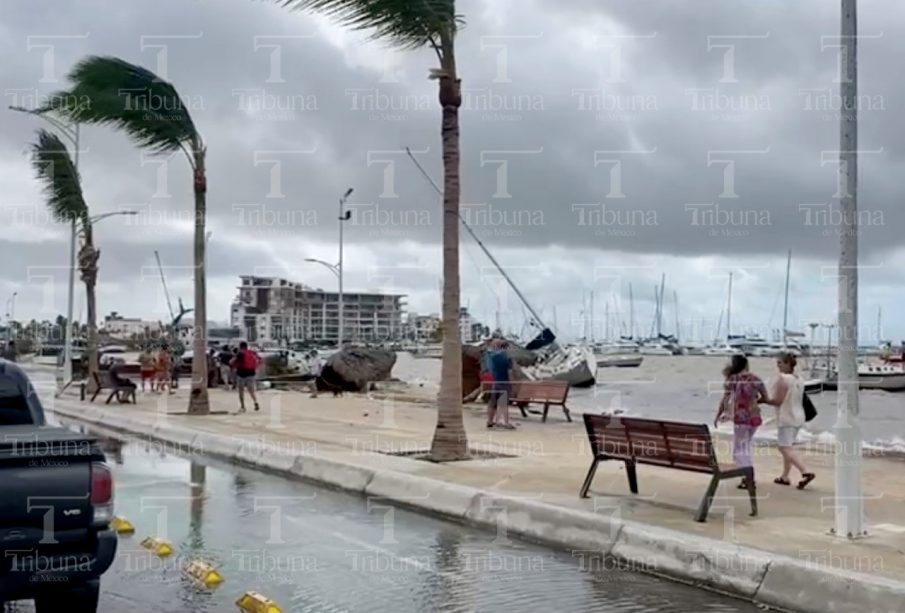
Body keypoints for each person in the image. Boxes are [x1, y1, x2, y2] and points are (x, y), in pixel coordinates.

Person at [760, 352, 815, 489]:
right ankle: (785, 476)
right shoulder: (799, 379)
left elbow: (777, 401)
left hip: (786, 416)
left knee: (784, 447)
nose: (778, 365)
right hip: (799, 416)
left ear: (786, 364)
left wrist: (762, 400)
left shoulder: (782, 379)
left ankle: (805, 471)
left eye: (780, 363)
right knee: (788, 446)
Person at [714, 355, 766, 489]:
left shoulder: (733, 379)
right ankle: (747, 477)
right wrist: (753, 402)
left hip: (740, 418)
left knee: (738, 450)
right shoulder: (756, 379)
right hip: (755, 417)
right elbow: (765, 398)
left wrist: (719, 415)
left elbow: (725, 400)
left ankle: (748, 477)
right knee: (746, 447)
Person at [485, 338, 515, 429]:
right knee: (503, 403)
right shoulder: (507, 358)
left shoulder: (493, 357)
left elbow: (491, 370)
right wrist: (513, 383)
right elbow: (510, 372)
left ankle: (490, 421)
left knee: (492, 403)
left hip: (496, 382)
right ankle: (506, 422)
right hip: (505, 382)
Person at [230, 341, 260, 413]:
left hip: (241, 374)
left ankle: (243, 407)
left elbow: (231, 362)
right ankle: (255, 402)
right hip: (251, 373)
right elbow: (259, 360)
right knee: (251, 390)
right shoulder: (251, 352)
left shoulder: (240, 353)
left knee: (241, 391)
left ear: (240, 347)